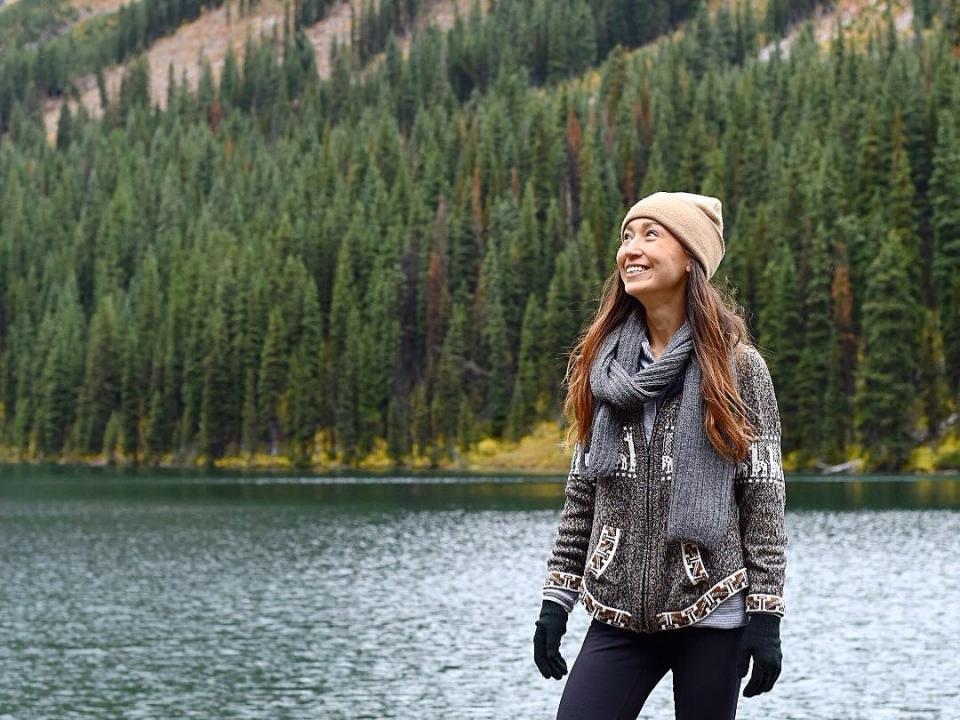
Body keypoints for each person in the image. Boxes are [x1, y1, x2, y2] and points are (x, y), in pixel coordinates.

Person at [532, 191, 787, 720]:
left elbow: (763, 501)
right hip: (617, 610)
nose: (631, 249)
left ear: (691, 258)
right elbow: (583, 496)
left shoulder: (738, 369)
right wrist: (556, 602)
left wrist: (765, 616)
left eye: (651, 234)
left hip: (711, 610)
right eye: (627, 236)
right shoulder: (603, 367)